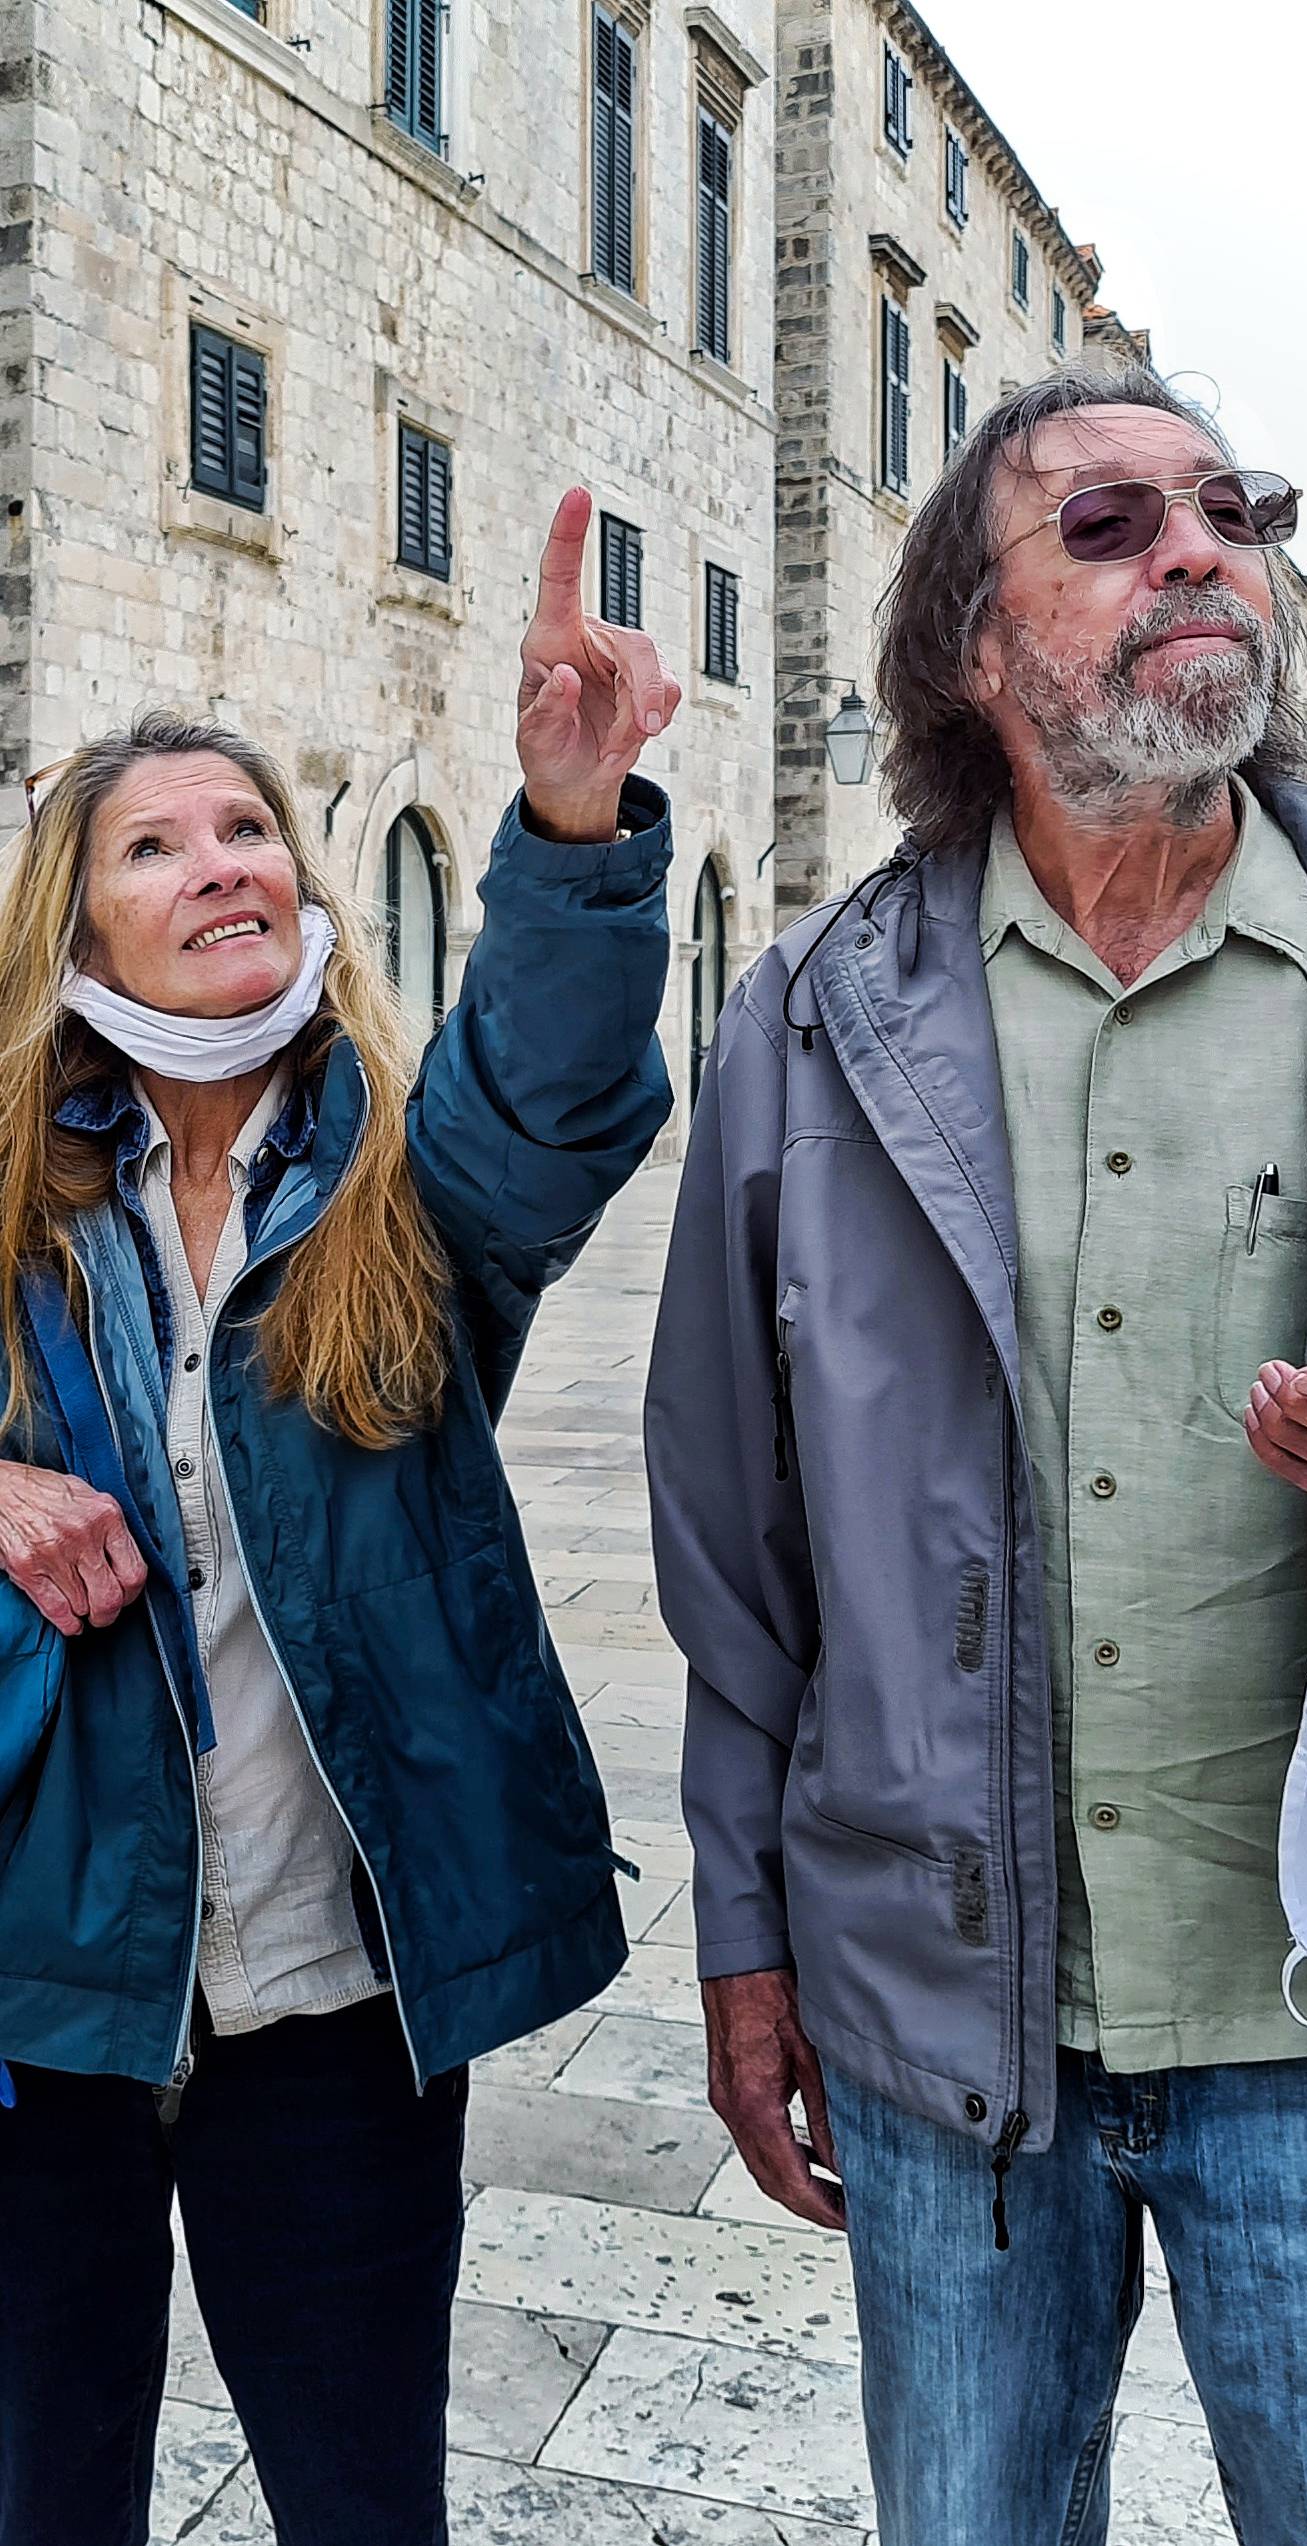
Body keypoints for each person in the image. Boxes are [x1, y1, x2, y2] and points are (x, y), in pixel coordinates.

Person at [645, 370, 1307, 2544]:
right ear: (977, 642)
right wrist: (746, 1940)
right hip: (955, 2052)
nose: (1202, 550)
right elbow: (735, 1542)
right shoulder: (813, 1029)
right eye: (1114, 524)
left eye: (1235, 510)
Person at [0, 488, 681, 2546]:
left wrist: (572, 834)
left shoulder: (407, 1176)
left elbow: (556, 1092)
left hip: (334, 2003)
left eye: (250, 830)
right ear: (78, 922)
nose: (224, 860)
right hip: (46, 1989)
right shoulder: (15, 1200)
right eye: (157, 842)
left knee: (362, 2500)